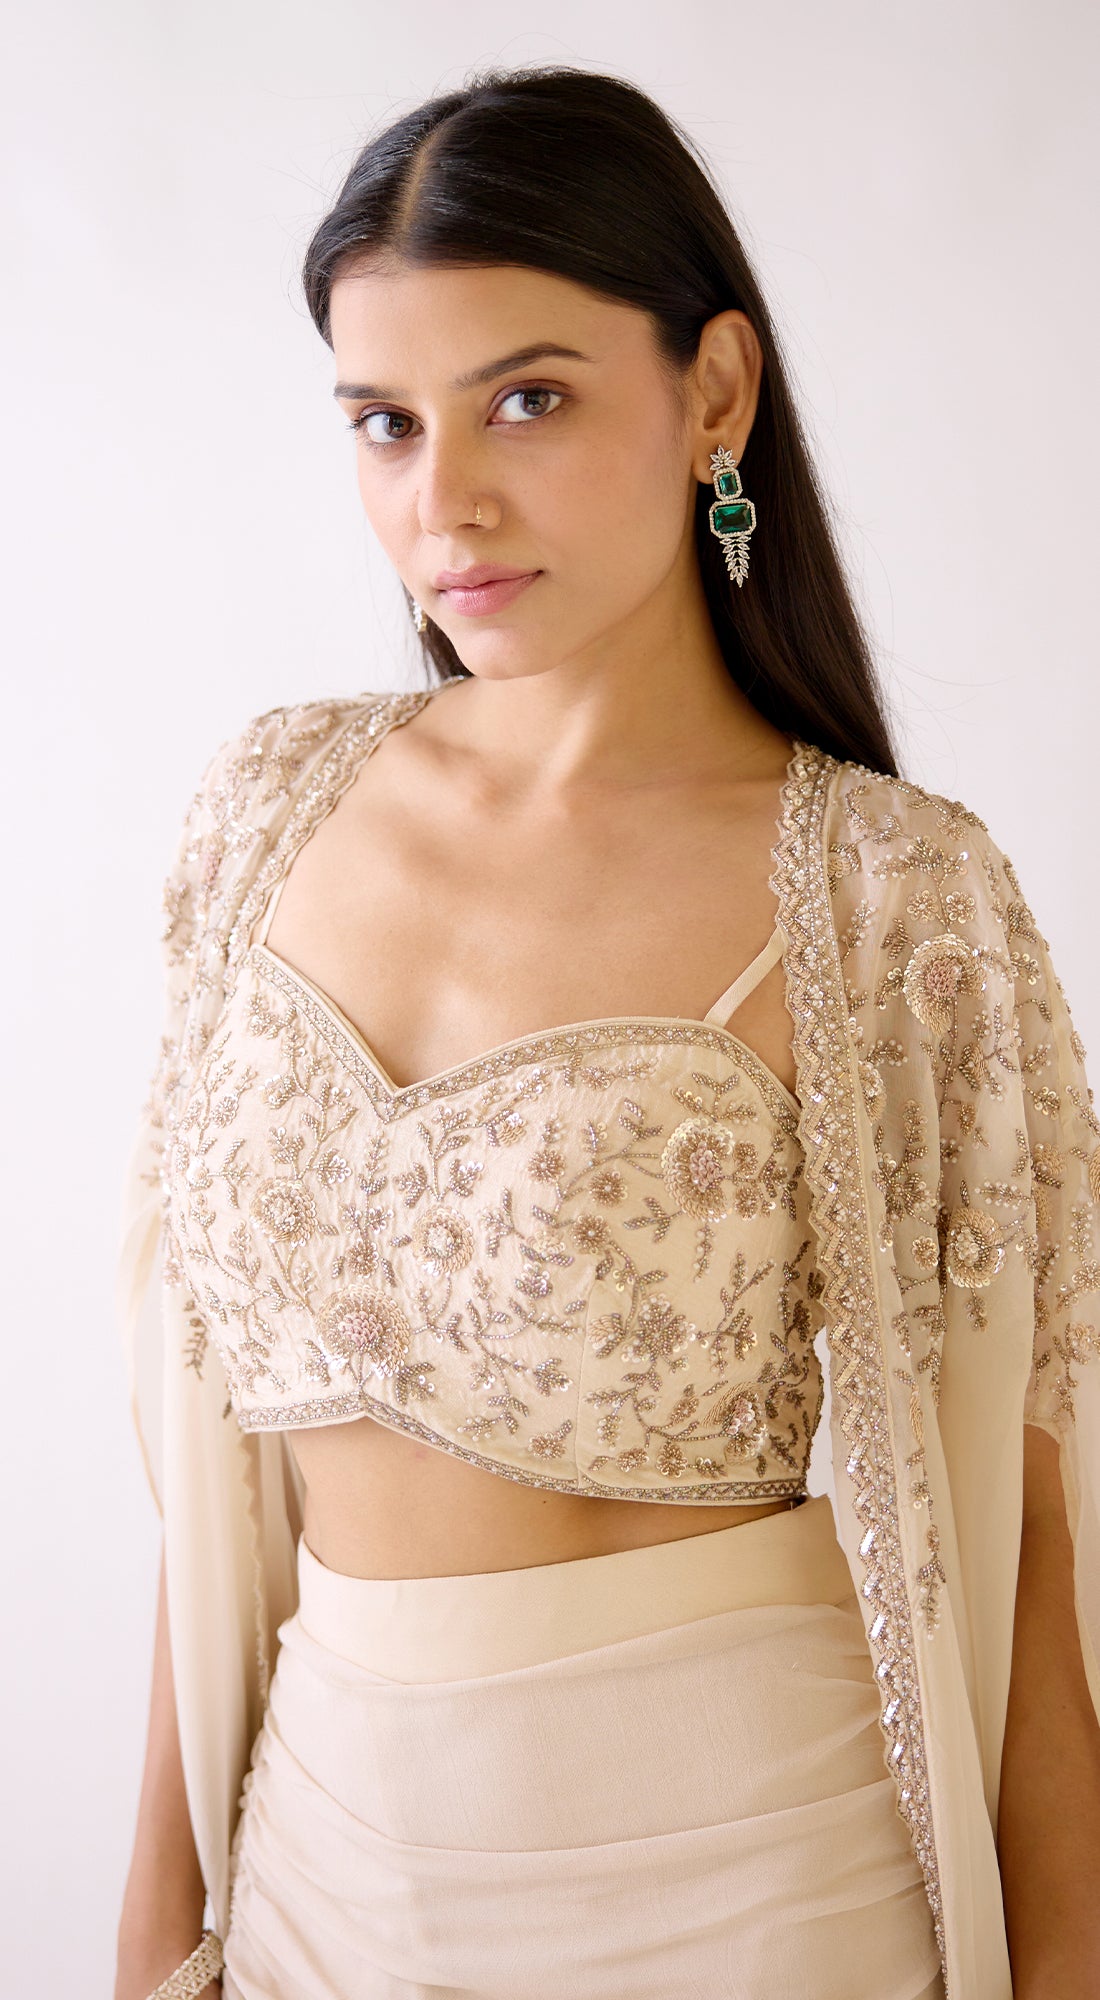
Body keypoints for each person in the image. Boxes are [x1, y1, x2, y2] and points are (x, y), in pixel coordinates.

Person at [114, 64, 1100, 2000]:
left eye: (530, 399)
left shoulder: (889, 896)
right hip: (319, 1875)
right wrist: (158, 1927)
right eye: (385, 422)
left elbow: (1031, 1560)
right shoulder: (262, 814)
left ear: (714, 391)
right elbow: (209, 1479)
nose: (444, 501)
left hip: (750, 1892)